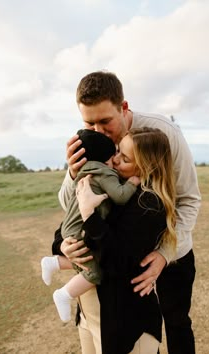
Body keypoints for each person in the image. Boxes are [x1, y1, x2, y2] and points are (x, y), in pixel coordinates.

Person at [59, 71, 201, 354]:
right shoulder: (90, 142)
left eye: (105, 121)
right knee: (137, 323)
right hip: (121, 249)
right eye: (89, 122)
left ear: (123, 109)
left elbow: (189, 199)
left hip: (170, 247)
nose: (98, 131)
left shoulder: (164, 134)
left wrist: (164, 254)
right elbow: (71, 204)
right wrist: (74, 173)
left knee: (176, 321)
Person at [76, 127, 177, 354]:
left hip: (125, 324)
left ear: (146, 167)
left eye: (125, 158)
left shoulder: (148, 203)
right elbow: (70, 223)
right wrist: (60, 245)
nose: (115, 159)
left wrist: (89, 216)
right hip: (89, 312)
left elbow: (117, 261)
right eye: (118, 151)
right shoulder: (113, 185)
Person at [41, 129, 139, 323]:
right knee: (94, 272)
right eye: (113, 157)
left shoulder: (84, 173)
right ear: (106, 160)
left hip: (69, 227)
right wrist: (133, 183)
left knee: (87, 257)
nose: (115, 162)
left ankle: (53, 263)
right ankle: (64, 294)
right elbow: (120, 196)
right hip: (81, 229)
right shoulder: (104, 173)